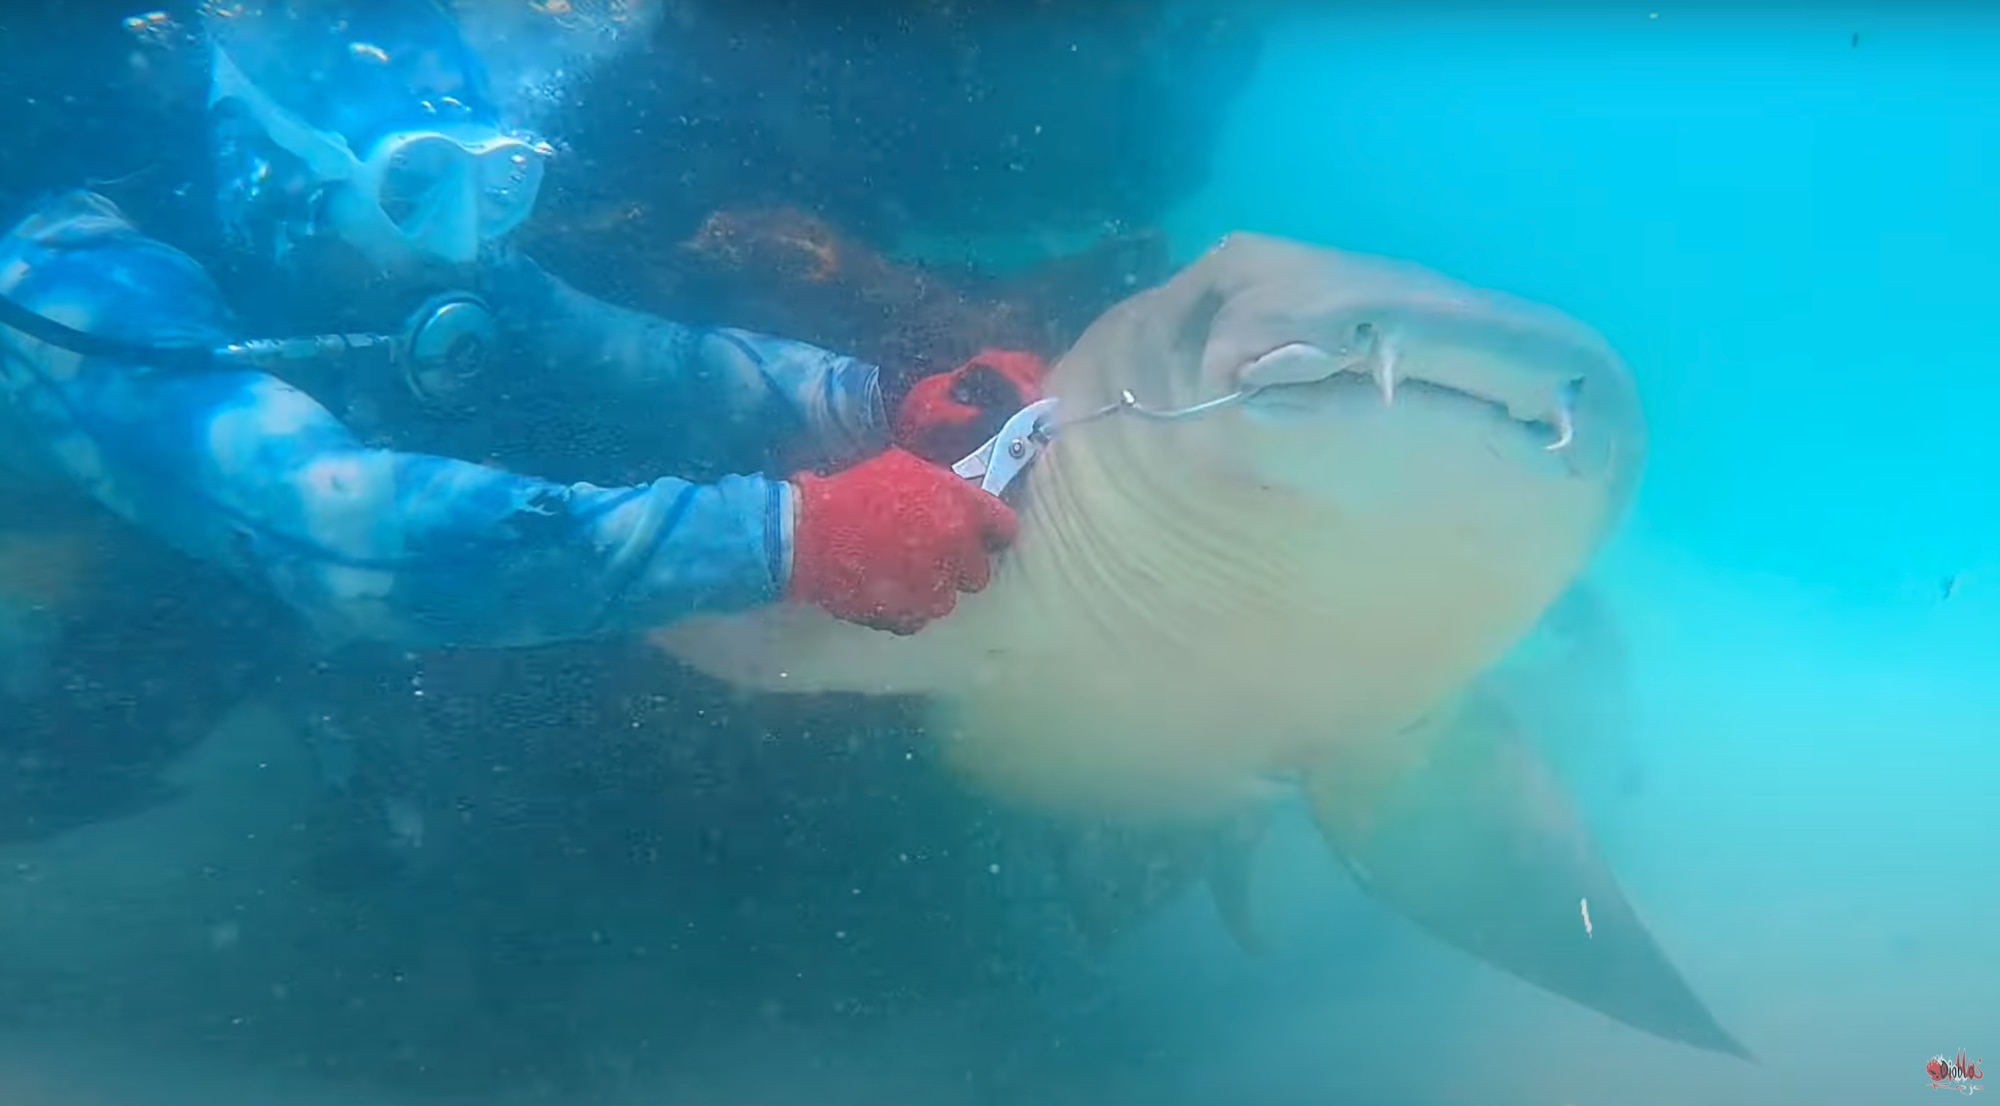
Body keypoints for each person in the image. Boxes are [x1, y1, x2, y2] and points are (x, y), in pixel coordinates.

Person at [0, 0, 1052, 665]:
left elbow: (635, 354)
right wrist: (794, 536)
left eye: (501, 181)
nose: (464, 238)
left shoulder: (409, 232)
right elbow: (339, 535)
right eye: (417, 184)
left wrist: (875, 396)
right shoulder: (73, 275)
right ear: (289, 162)